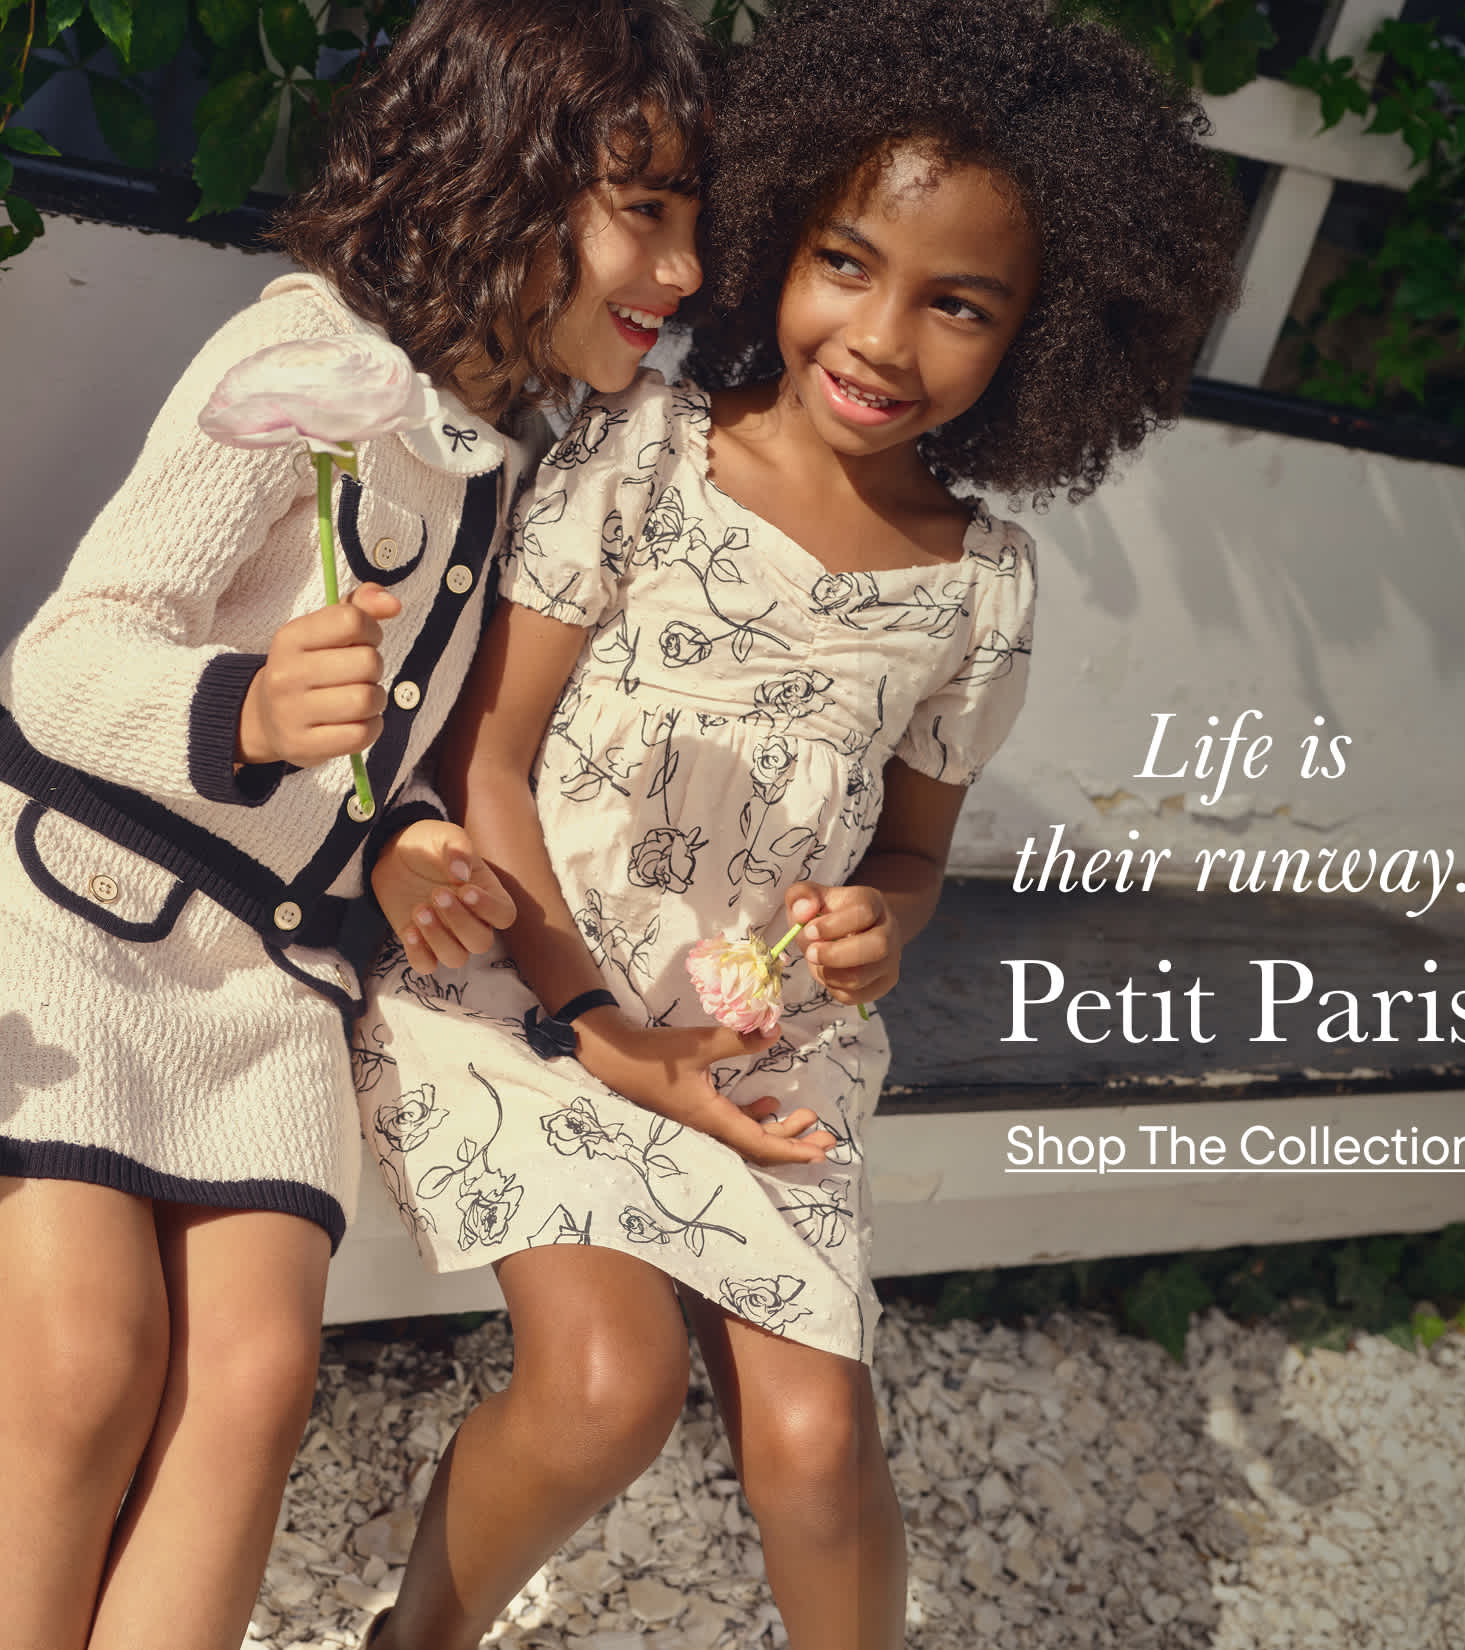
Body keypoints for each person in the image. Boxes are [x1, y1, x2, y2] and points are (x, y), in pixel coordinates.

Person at [359, 1, 1242, 1645]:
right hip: (536, 987)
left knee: (821, 1444)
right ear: (778, 236)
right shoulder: (646, 453)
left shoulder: (979, 587)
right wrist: (599, 1021)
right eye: (847, 261)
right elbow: (490, 761)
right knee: (609, 1386)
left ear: (1046, 336)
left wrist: (882, 922)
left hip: (764, 1039)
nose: (884, 338)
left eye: (959, 303)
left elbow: (913, 854)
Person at [0, 2, 710, 1646]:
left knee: (254, 1385)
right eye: (646, 211)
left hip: (272, 987)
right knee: (87, 1364)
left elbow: (396, 743)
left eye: (694, 223)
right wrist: (243, 713)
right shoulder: (301, 365)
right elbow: (65, 659)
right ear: (505, 171)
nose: (683, 270)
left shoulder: (514, 458)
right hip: (83, 918)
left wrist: (396, 838)